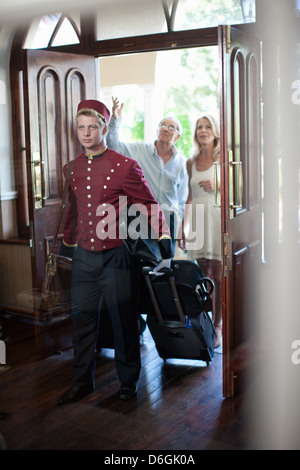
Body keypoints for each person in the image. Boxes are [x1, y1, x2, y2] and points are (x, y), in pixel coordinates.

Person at [57, 99, 173, 405]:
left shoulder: (124, 166)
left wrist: (163, 233)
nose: (85, 133)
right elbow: (72, 212)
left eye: (92, 127)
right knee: (82, 321)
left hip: (116, 255)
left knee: (124, 321)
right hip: (84, 256)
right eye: (80, 127)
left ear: (104, 129)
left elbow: (148, 203)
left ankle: (128, 381)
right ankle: (81, 382)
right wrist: (66, 245)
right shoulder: (71, 169)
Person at [106, 97, 188, 246]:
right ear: (157, 130)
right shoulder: (138, 151)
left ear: (177, 136)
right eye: (162, 125)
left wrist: (181, 228)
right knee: (143, 264)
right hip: (143, 220)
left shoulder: (181, 163)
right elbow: (113, 147)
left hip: (169, 222)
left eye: (171, 127)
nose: (165, 128)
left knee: (166, 265)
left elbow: (181, 200)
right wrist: (115, 121)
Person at [178, 115, 222, 348]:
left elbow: (239, 195)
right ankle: (206, 324)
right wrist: (183, 227)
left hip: (217, 220)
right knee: (205, 275)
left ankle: (218, 327)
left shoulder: (224, 159)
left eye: (207, 127)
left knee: (219, 275)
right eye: (199, 128)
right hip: (198, 221)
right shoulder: (190, 162)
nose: (203, 131)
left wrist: (219, 187)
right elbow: (190, 196)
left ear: (215, 131)